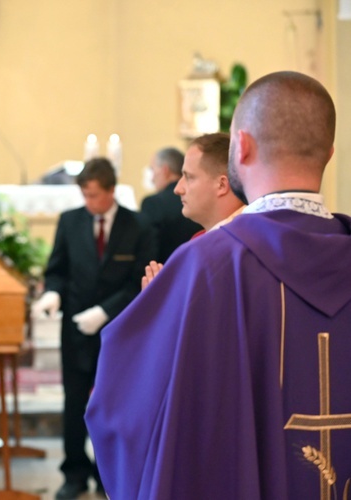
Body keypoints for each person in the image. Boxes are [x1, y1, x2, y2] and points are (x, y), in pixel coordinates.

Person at [85, 71, 351, 499]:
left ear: (240, 148)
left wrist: (155, 315)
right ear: (330, 152)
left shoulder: (202, 267)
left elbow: (126, 406)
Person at [31, 158, 156, 499]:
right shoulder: (70, 221)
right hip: (74, 328)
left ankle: (108, 475)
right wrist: (53, 293)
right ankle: (73, 473)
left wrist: (105, 311)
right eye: (85, 195)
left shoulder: (139, 226)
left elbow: (140, 281)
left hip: (118, 331)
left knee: (112, 403)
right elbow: (57, 268)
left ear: (112, 192)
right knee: (73, 403)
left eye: (95, 196)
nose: (89, 203)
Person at [141, 132, 245, 289]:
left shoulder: (242, 247)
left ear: (221, 185)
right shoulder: (200, 239)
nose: (178, 189)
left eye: (188, 177)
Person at [140, 147, 202, 262]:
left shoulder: (153, 203)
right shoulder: (200, 199)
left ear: (165, 170)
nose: (152, 178)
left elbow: (148, 251)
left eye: (153, 170)